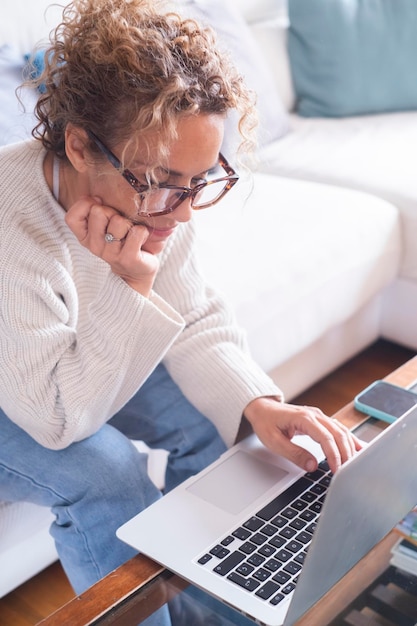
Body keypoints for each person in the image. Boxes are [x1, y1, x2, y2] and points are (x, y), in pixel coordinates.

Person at [0, 0, 362, 623]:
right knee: (108, 473)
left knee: (212, 420)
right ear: (81, 145)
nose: (185, 211)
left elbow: (190, 313)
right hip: (26, 392)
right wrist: (130, 284)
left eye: (202, 183)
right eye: (165, 183)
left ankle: (225, 612)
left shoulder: (158, 196)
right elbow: (58, 420)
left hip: (69, 357)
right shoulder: (13, 226)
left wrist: (258, 403)